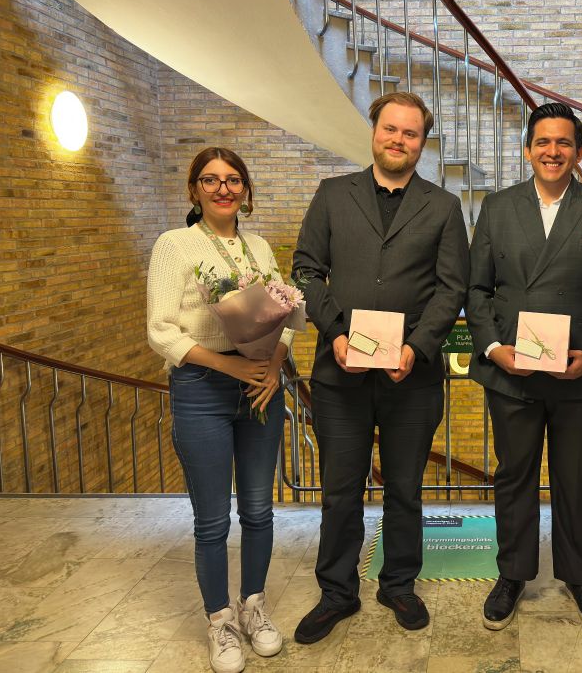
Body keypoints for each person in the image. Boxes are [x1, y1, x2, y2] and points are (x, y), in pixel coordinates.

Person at [291, 92, 469, 644]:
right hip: (339, 371)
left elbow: (451, 288)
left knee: (405, 489)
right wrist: (336, 333)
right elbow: (305, 270)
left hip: (410, 377)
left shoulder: (442, 207)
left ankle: (398, 583)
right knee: (340, 489)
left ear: (422, 142)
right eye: (390, 129)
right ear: (373, 131)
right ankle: (337, 593)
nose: (398, 139)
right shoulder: (331, 195)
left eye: (410, 133)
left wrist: (417, 345)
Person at [465, 102, 582, 632]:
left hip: (578, 373)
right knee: (513, 475)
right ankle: (512, 574)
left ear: (578, 152)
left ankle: (577, 574)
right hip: (511, 371)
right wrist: (494, 348)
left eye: (564, 143)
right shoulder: (496, 208)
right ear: (528, 149)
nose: (553, 151)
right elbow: (477, 289)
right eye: (543, 142)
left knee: (574, 478)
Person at [147, 147, 291, 673]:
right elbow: (160, 331)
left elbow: (285, 317)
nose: (223, 189)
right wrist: (230, 368)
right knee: (212, 520)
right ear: (194, 190)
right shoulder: (175, 245)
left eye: (233, 180)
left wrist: (274, 365)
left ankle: (254, 606)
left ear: (246, 190)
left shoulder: (258, 247)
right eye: (211, 180)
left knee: (258, 510)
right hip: (202, 389)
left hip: (258, 388)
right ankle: (220, 621)